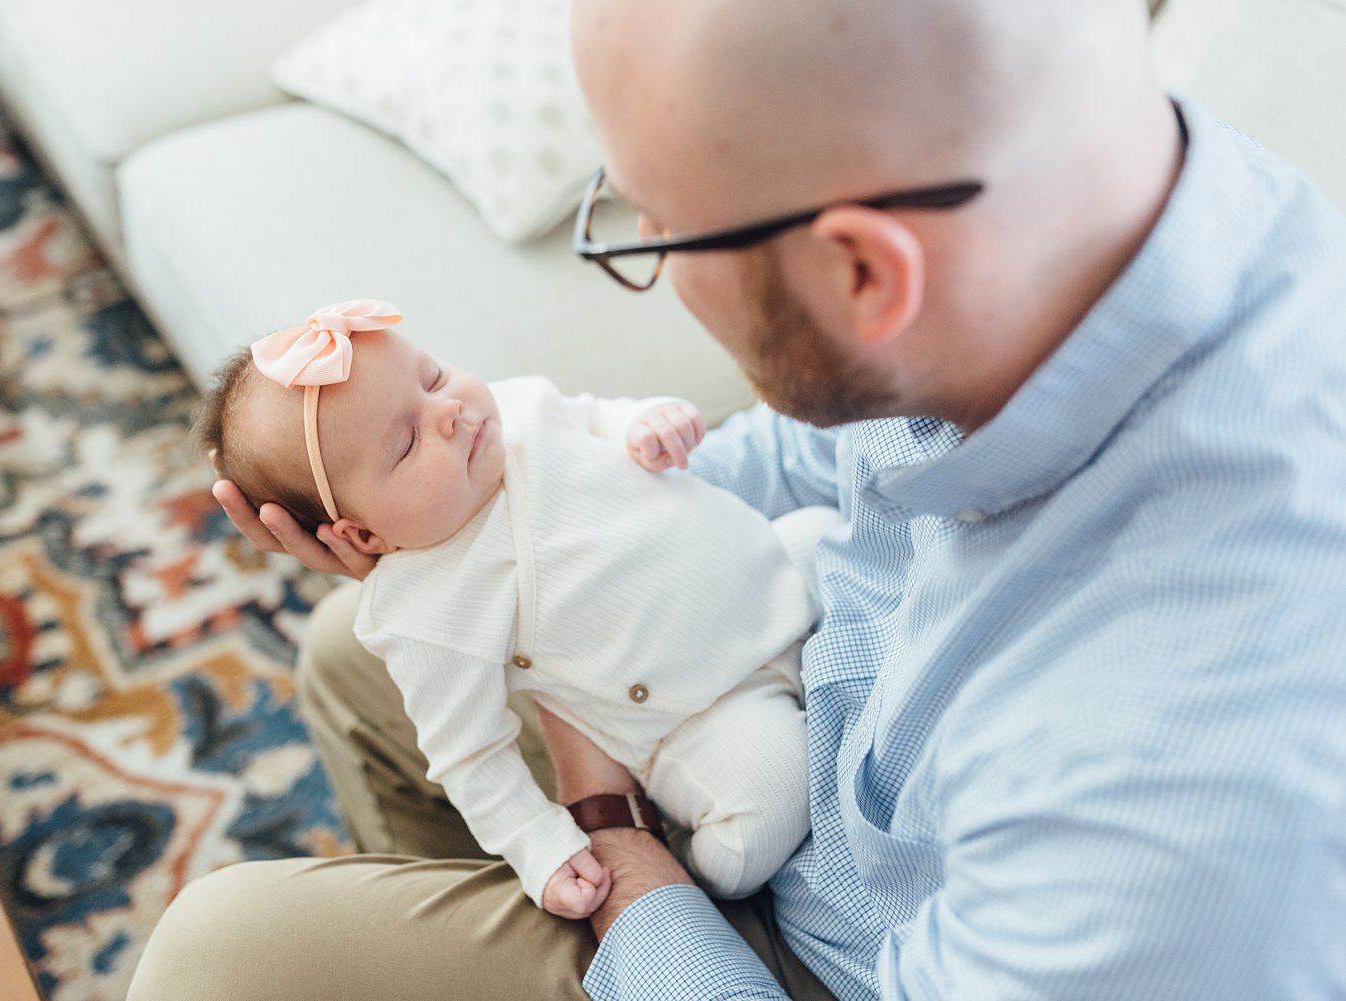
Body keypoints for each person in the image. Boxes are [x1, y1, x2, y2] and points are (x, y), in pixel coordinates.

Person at [129, 0, 1346, 997]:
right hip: (812, 713)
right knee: (363, 642)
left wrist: (617, 844)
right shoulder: (1087, 213)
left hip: (859, 947)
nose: (646, 257)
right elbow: (823, 456)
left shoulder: (1160, 800)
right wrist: (483, 539)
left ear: (865, 269)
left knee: (217, 959)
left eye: (655, 226)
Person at [193, 299, 826, 916]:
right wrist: (539, 846)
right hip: (706, 711)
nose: (448, 410)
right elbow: (470, 753)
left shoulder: (520, 408)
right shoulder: (424, 610)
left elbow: (602, 419)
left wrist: (648, 424)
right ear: (362, 537)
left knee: (832, 530)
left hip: (769, 569)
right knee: (766, 809)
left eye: (433, 375)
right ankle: (700, 870)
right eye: (408, 442)